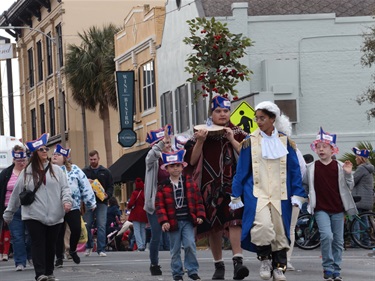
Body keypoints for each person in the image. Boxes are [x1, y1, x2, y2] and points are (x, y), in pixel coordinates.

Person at [230, 101, 306, 281]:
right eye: (257, 118)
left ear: (273, 119)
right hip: (257, 193)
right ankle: (264, 259)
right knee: (262, 227)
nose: (258, 122)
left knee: (280, 231)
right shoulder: (249, 142)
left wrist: (298, 194)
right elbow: (241, 170)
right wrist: (236, 193)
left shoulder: (286, 142)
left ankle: (279, 266)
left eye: (262, 118)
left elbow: (294, 170)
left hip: (281, 193)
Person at [185, 95, 249, 280]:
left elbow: (247, 155)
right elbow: (191, 160)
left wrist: (231, 139)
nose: (222, 114)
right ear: (211, 113)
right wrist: (200, 141)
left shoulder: (237, 131)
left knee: (235, 220)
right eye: (218, 111)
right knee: (214, 226)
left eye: (226, 111)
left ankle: (238, 262)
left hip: (233, 186)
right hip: (208, 186)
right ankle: (218, 265)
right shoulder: (201, 131)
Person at [3, 133, 72, 281]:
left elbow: (65, 189)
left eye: (46, 149)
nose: (45, 151)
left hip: (55, 214)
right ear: (35, 153)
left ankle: (49, 272)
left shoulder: (57, 171)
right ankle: (40, 273)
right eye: (41, 150)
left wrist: (67, 202)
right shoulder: (26, 172)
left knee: (50, 245)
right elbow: (16, 194)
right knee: (38, 243)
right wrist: (8, 214)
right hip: (33, 214)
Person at [303, 127, 357, 281]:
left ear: (332, 149)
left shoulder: (340, 167)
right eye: (318, 147)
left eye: (324, 147)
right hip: (321, 209)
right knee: (327, 236)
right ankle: (327, 268)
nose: (321, 149)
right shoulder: (311, 168)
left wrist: (348, 174)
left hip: (338, 209)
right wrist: (306, 198)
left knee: (339, 241)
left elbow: (350, 186)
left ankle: (336, 270)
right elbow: (305, 185)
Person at [155, 149, 206, 281]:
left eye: (178, 165)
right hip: (173, 222)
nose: (175, 169)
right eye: (172, 166)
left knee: (190, 245)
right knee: (175, 249)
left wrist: (200, 215)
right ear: (166, 168)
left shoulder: (189, 183)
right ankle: (177, 273)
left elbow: (198, 200)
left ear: (182, 167)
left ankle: (192, 270)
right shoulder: (163, 186)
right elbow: (160, 206)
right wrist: (163, 221)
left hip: (188, 220)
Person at [52, 144, 96, 267]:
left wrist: (91, 202)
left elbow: (85, 186)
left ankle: (72, 250)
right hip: (56, 207)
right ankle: (59, 257)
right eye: (54, 154)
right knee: (58, 233)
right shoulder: (49, 170)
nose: (55, 156)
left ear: (65, 158)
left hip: (73, 206)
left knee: (76, 229)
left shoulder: (75, 169)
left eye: (58, 154)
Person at [144, 124, 173, 275]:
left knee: (176, 233)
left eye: (168, 142)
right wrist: (160, 144)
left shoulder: (175, 158)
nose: (166, 145)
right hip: (155, 203)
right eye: (162, 142)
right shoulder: (152, 160)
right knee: (156, 234)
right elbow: (151, 155)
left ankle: (178, 264)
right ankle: (154, 264)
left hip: (171, 202)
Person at [0, 145, 32, 270]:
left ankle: (30, 256)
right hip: (12, 208)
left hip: (29, 208)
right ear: (14, 160)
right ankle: (20, 262)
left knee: (31, 235)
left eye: (23, 160)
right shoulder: (6, 173)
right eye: (18, 161)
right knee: (17, 236)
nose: (21, 163)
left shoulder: (31, 171)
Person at [82, 150, 114, 257]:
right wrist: (87, 181)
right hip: (88, 201)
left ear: (98, 158)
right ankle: (88, 246)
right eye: (91, 159)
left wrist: (107, 195)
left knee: (101, 225)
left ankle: (101, 249)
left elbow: (111, 186)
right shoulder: (84, 171)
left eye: (94, 159)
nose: (93, 161)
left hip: (101, 201)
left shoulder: (105, 171)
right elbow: (79, 184)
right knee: (87, 225)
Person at [127, 178, 148, 251]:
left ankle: (140, 246)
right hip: (144, 212)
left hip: (136, 213)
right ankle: (143, 245)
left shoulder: (135, 193)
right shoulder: (145, 193)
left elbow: (131, 203)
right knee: (142, 229)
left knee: (136, 230)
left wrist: (129, 207)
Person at [351, 147, 374, 213]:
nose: (355, 159)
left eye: (356, 157)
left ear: (360, 158)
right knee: (364, 219)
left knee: (354, 219)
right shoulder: (368, 168)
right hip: (367, 199)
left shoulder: (361, 168)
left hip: (360, 199)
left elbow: (353, 181)